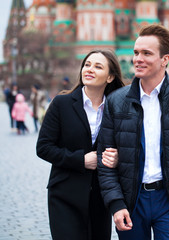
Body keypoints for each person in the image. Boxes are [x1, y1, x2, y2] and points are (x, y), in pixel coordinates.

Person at [97, 24, 169, 240]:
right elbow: (105, 159)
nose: (138, 58)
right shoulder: (115, 102)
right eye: (136, 52)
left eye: (147, 53)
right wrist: (116, 203)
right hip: (131, 200)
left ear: (165, 59)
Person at [36, 49, 124, 240]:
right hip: (65, 195)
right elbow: (43, 147)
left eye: (98, 66)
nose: (89, 69)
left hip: (101, 198)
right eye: (87, 64)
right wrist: (80, 160)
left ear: (110, 77)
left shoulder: (117, 109)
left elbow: (128, 147)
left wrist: (118, 158)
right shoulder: (62, 104)